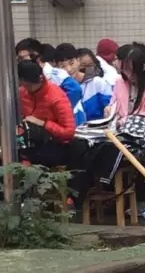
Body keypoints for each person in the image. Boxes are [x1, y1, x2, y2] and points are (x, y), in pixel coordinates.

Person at [17, 60, 90, 197]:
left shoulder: (56, 96)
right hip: (28, 142)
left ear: (40, 78)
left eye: (29, 85)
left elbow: (68, 132)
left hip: (54, 145)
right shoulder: (21, 94)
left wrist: (43, 123)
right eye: (24, 85)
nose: (27, 88)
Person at [76, 48, 114, 120]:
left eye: (90, 65)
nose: (87, 69)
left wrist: (108, 109)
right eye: (83, 65)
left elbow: (109, 103)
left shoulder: (98, 82)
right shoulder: (69, 84)